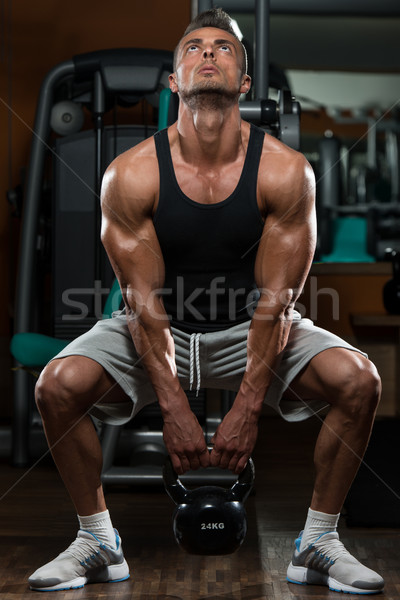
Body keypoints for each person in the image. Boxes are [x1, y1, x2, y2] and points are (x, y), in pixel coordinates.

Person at [28, 8, 384, 595]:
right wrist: (172, 408)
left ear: (244, 83)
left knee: (359, 380)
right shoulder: (132, 175)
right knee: (56, 386)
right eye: (194, 47)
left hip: (253, 331)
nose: (209, 53)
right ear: (174, 81)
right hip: (157, 330)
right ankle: (97, 540)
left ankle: (318, 541)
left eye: (223, 47)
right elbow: (144, 307)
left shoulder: (285, 171)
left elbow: (277, 303)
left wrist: (246, 409)